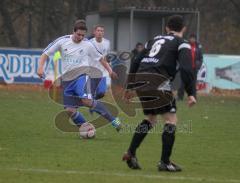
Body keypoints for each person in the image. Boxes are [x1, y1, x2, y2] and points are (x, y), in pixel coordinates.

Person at [122, 15, 196, 172]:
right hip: (159, 82)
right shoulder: (182, 43)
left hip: (142, 81)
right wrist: (191, 92)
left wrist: (129, 86)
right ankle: (165, 162)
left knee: (150, 119)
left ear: (167, 28)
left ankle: (131, 152)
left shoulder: (154, 40)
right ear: (183, 29)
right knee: (171, 120)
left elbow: (135, 61)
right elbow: (186, 69)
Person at [37, 20, 122, 131]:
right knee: (69, 110)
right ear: (73, 31)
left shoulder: (87, 44)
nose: (81, 37)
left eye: (83, 35)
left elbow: (101, 58)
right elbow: (45, 54)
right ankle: (86, 128)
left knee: (86, 101)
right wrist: (40, 68)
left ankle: (113, 120)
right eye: (78, 34)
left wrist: (110, 71)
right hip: (67, 80)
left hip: (82, 76)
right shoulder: (62, 41)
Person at [177, 34, 203, 100]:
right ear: (189, 39)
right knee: (183, 83)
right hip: (186, 68)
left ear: (195, 39)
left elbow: (200, 58)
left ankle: (194, 96)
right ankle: (180, 96)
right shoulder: (186, 45)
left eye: (193, 38)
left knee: (193, 83)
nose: (192, 40)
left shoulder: (198, 47)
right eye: (191, 38)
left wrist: (198, 65)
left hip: (194, 68)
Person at [89, 25, 111, 99]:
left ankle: (94, 102)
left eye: (101, 31)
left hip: (103, 72)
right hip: (92, 71)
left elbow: (106, 55)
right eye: (98, 30)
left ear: (103, 33)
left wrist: (108, 62)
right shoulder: (90, 43)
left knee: (102, 92)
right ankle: (93, 104)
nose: (100, 32)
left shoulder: (107, 42)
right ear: (94, 32)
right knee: (92, 92)